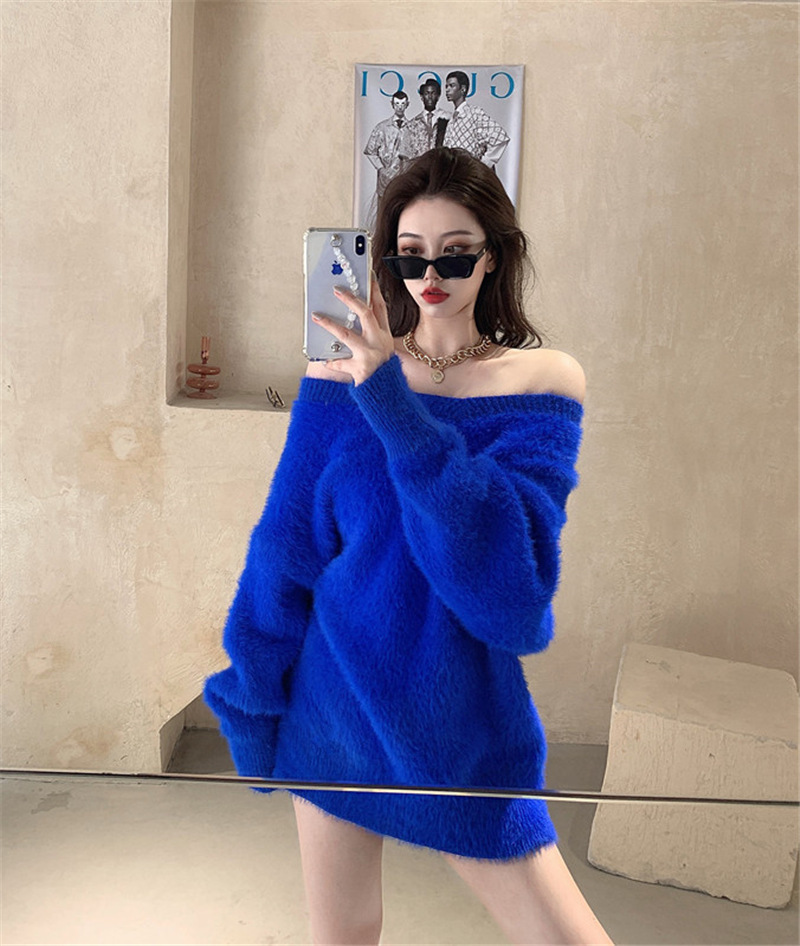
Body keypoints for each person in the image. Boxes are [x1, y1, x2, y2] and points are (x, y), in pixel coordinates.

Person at [204, 148, 614, 946]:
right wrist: (250, 696)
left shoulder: (542, 384)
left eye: (455, 253)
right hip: (334, 701)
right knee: (345, 933)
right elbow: (286, 548)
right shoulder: (337, 376)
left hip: (458, 722)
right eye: (410, 254)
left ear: (492, 256)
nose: (432, 275)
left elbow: (509, 594)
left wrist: (391, 399)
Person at [442, 70, 510, 168]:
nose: (447, 90)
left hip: (468, 173)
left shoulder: (474, 113)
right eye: (446, 86)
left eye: (452, 86)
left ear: (463, 89)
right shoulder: (452, 119)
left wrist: (483, 165)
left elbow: (500, 138)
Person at [363, 90, 416, 199]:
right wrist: (381, 168)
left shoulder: (412, 128)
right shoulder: (382, 127)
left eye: (403, 104)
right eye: (397, 104)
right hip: (385, 181)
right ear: (392, 104)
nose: (400, 107)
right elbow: (370, 151)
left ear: (407, 104)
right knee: (384, 206)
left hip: (405, 179)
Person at [409, 77, 450, 155]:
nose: (430, 97)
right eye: (426, 93)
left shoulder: (447, 118)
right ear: (422, 97)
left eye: (433, 93)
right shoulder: (412, 124)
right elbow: (406, 153)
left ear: (438, 96)